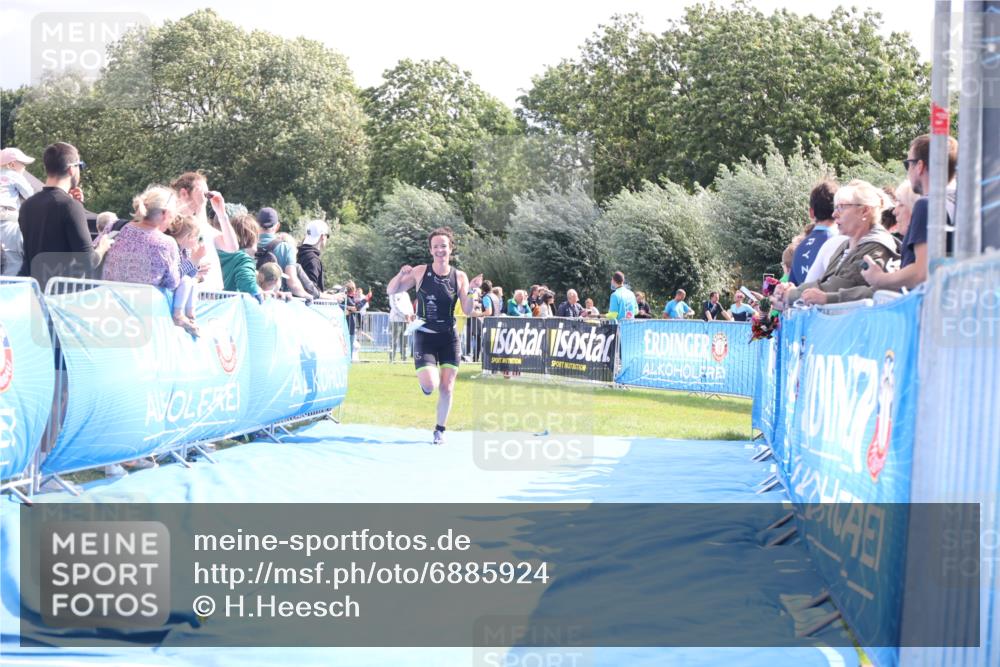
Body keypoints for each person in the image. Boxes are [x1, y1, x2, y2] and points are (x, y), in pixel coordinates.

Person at [386, 226, 483, 444]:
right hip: (425, 337)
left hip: (449, 337)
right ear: (431, 250)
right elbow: (391, 290)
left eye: (444, 246)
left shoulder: (459, 276)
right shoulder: (420, 271)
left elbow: (467, 310)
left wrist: (472, 290)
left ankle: (440, 430)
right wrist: (400, 274)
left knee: (447, 386)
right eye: (436, 246)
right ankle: (426, 385)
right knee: (431, 384)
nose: (440, 250)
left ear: (451, 248)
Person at [776, 179, 899, 307]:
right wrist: (790, 293)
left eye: (841, 207)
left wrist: (791, 295)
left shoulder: (876, 247)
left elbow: (836, 286)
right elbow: (823, 282)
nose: (834, 214)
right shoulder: (845, 246)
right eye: (835, 208)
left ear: (864, 211)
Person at [861, 134, 958, 292]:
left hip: (928, 304)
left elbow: (922, 272)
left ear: (919, 166)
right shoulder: (960, 203)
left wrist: (879, 278)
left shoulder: (927, 205)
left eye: (908, 164)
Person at [17, 142, 112, 289]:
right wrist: (102, 247)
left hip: (34, 291)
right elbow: (88, 260)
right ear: (71, 169)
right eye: (80, 166)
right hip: (62, 295)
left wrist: (77, 206)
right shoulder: (69, 206)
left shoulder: (27, 205)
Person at [170, 172, 238, 291]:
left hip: (212, 294)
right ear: (184, 193)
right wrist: (192, 269)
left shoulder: (202, 225)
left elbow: (232, 247)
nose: (205, 198)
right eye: (202, 193)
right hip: (189, 295)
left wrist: (221, 213)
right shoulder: (170, 225)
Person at [163, 214, 206, 335]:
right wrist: (193, 260)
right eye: (196, 237)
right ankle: (178, 315)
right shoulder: (173, 248)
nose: (197, 240)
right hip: (168, 285)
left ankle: (190, 315)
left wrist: (196, 259)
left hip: (177, 285)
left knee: (192, 281)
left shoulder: (186, 250)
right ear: (188, 237)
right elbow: (176, 275)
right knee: (186, 280)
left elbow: (192, 274)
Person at [254, 207, 311, 298]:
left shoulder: (248, 246)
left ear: (256, 225)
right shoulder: (286, 248)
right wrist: (307, 296)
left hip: (251, 300)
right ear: (277, 226)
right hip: (276, 301)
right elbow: (292, 282)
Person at [790, 181, 839, 285]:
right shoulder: (839, 243)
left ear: (811, 213)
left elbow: (791, 288)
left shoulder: (798, 247)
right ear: (837, 211)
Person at [0, 147, 36, 276]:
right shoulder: (13, 175)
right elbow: (30, 195)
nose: (25, 168)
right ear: (12, 165)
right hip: (7, 218)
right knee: (13, 260)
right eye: (23, 164)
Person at [218, 213, 265, 302]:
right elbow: (249, 286)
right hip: (227, 307)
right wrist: (264, 294)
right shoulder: (243, 260)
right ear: (252, 238)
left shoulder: (216, 252)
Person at [298, 219, 328, 291]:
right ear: (322, 236)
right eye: (327, 235)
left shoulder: (300, 253)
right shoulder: (313, 260)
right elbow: (311, 291)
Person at [388, 289, 415, 362]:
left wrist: (411, 314)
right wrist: (404, 315)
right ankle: (392, 358)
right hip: (395, 320)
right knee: (394, 341)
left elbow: (409, 305)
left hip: (406, 321)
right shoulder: (393, 293)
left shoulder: (406, 294)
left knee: (404, 341)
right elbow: (394, 306)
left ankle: (404, 358)